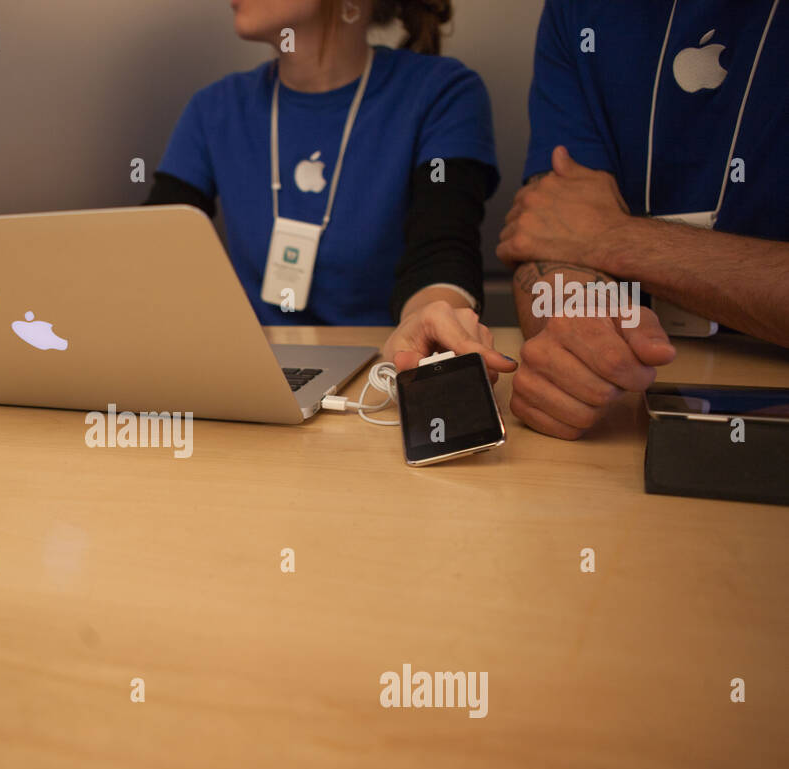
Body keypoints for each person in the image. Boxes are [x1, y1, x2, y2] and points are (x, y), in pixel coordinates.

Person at [146, 0, 516, 381]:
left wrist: (431, 323)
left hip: (379, 374)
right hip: (252, 374)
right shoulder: (215, 108)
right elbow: (150, 251)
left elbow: (443, 247)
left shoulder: (442, 93)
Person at [498, 0, 789, 440]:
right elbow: (550, 230)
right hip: (633, 411)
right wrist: (579, 342)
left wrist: (611, 237)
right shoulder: (578, 11)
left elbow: (574, 230)